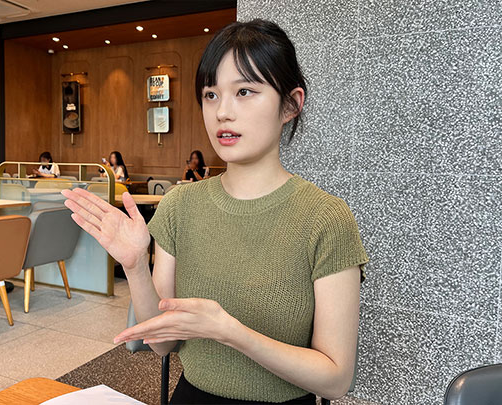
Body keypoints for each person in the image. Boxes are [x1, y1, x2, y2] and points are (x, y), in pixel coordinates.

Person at [62, 19, 368, 405]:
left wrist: (231, 332)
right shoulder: (181, 205)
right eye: (211, 94)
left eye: (244, 91)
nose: (222, 112)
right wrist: (136, 265)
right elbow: (164, 344)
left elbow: (335, 379)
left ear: (290, 104)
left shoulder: (326, 218)